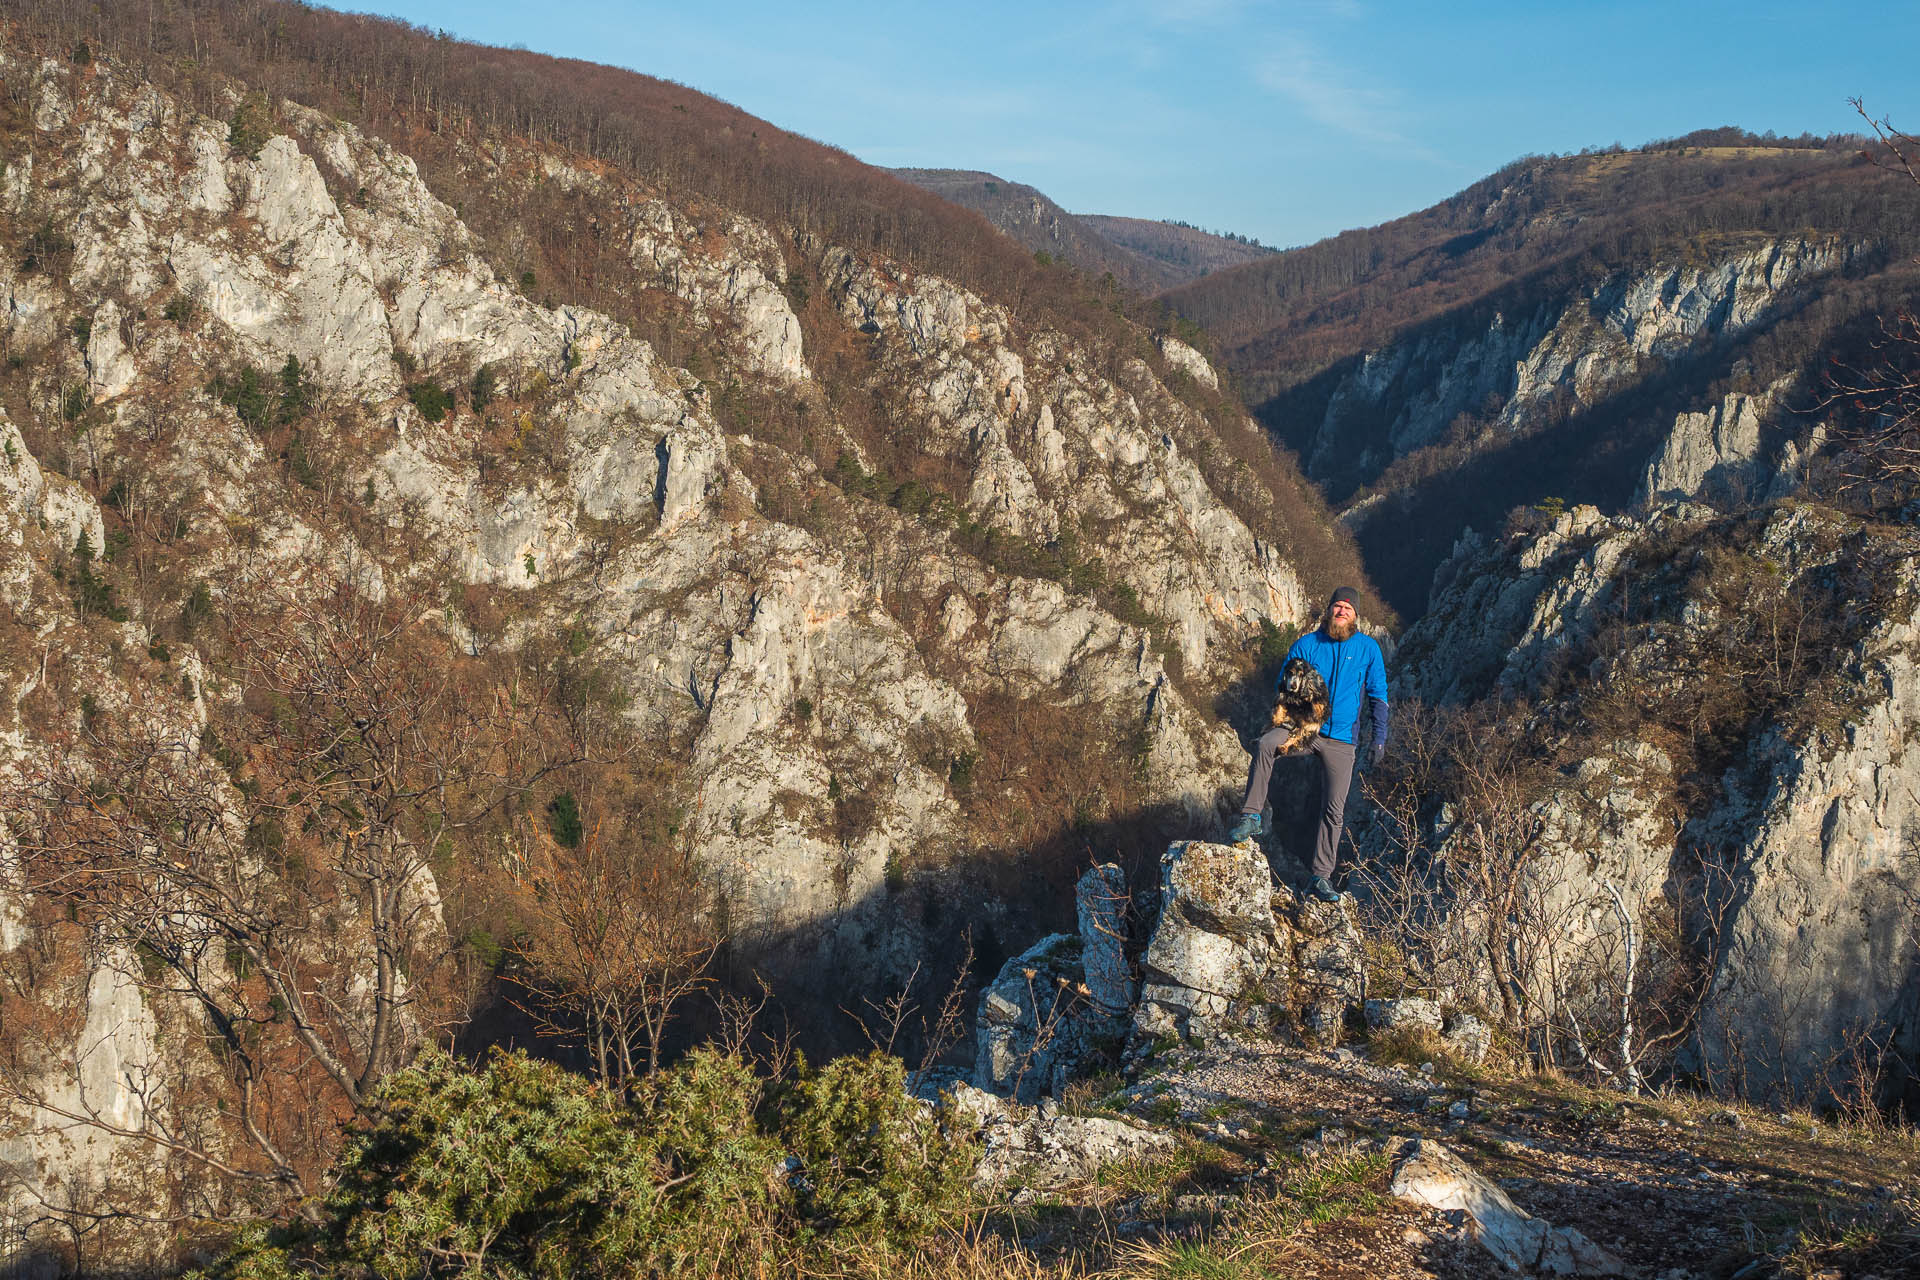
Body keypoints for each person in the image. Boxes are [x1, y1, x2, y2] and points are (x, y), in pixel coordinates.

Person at [1226, 587, 1388, 903]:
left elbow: (1378, 696)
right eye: (1337, 606)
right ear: (1328, 612)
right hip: (1304, 729)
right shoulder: (1308, 645)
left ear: (1356, 616)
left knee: (1334, 810)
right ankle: (1251, 816)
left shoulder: (1368, 649)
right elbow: (1282, 686)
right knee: (1265, 745)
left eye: (1348, 608)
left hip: (1342, 739)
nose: (1342, 611)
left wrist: (1379, 739)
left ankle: (1321, 877)